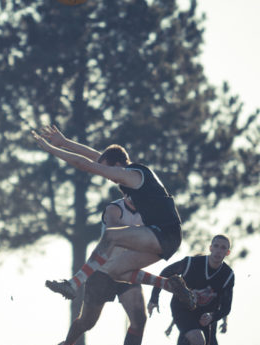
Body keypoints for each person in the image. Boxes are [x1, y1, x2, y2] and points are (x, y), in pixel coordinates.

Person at [32, 125, 196, 310]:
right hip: (162, 239)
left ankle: (73, 284)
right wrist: (65, 143)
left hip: (165, 234)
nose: (108, 178)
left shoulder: (131, 175)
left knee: (111, 235)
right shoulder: (128, 172)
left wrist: (51, 149)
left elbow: (85, 165)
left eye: (108, 171)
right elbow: (96, 157)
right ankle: (170, 284)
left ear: (117, 165)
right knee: (114, 271)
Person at [50, 194, 147, 345]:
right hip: (103, 272)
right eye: (129, 192)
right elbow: (115, 232)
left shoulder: (149, 210)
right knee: (87, 322)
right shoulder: (114, 209)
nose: (134, 196)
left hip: (127, 270)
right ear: (124, 192)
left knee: (139, 319)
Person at [147, 234, 234, 345]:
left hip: (204, 317)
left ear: (227, 252)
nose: (219, 250)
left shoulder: (228, 275)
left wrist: (212, 316)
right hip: (182, 309)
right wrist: (154, 298)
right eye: (216, 246)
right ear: (210, 248)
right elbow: (165, 272)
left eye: (223, 248)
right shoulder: (191, 263)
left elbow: (226, 307)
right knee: (198, 343)